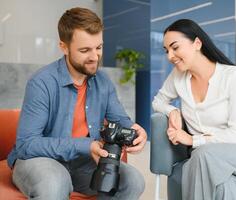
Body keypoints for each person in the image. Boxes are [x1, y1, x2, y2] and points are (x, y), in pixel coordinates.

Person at [7, 7, 146, 200]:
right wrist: (86, 145)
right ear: (64, 47)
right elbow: (27, 144)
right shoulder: (41, 83)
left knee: (133, 180)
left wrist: (135, 130)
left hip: (84, 163)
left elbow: (120, 118)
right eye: (84, 50)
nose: (94, 57)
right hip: (41, 160)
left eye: (98, 47)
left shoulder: (103, 81)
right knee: (55, 182)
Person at [152, 19, 236, 200]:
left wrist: (193, 139)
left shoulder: (234, 75)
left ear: (197, 43)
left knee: (200, 155)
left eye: (175, 47)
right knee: (223, 184)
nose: (170, 56)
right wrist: (172, 111)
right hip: (208, 156)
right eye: (166, 50)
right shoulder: (178, 76)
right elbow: (158, 102)